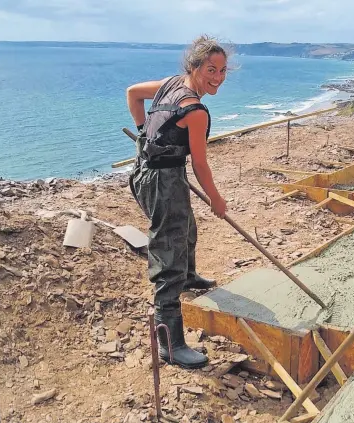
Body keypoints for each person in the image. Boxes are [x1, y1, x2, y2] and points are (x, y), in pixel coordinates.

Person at [126, 35, 229, 369]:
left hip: (147, 172)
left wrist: (144, 132)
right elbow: (200, 164)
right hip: (162, 181)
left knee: (185, 227)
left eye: (223, 70)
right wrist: (216, 199)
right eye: (211, 69)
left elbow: (132, 94)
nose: (218, 76)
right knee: (168, 249)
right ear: (194, 66)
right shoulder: (196, 111)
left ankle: (189, 276)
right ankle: (170, 342)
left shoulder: (170, 84)